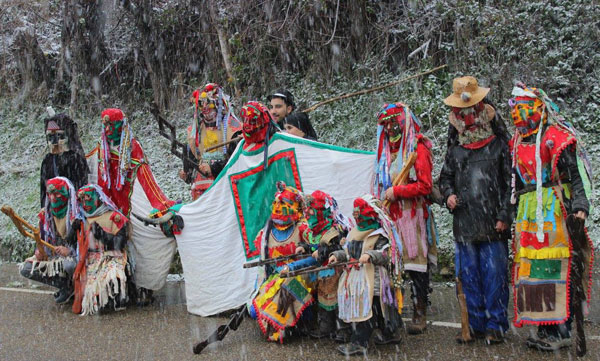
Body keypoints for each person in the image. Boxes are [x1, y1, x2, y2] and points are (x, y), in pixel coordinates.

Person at [508, 83, 593, 351]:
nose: (519, 114)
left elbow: (575, 175)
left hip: (553, 208)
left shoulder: (555, 138)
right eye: (516, 108)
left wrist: (579, 203)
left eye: (524, 108)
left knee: (557, 265)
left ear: (538, 109)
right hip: (528, 209)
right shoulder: (516, 141)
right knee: (533, 270)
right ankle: (544, 326)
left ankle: (561, 328)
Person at [439, 76, 512, 344]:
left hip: (493, 223)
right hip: (465, 223)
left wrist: (505, 214)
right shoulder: (455, 151)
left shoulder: (500, 146)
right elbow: (444, 179)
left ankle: (496, 325)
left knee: (494, 278)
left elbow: (510, 184)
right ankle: (475, 324)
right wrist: (448, 196)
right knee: (469, 277)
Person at [374, 102, 438, 335]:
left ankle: (420, 310)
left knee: (416, 264)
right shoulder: (383, 152)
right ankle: (394, 311)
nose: (391, 128)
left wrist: (398, 192)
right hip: (391, 216)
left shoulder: (417, 148)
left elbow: (425, 185)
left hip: (413, 214)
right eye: (386, 124)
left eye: (394, 122)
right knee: (393, 263)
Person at [330, 195, 403, 356]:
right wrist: (337, 255)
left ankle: (360, 342)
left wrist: (371, 255)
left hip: (373, 280)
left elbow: (386, 254)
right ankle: (388, 333)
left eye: (359, 212)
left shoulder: (380, 234)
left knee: (369, 308)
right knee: (372, 309)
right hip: (356, 276)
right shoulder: (354, 233)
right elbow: (346, 252)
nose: (356, 216)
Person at [282, 190, 351, 340]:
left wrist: (322, 252)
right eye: (307, 212)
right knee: (322, 301)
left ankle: (343, 330)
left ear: (320, 212)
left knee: (337, 301)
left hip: (334, 271)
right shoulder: (312, 231)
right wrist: (305, 247)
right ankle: (325, 327)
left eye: (311, 211)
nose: (308, 215)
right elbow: (311, 244)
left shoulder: (334, 230)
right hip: (320, 272)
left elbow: (336, 248)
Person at [250, 182, 313, 343]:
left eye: (283, 203)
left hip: (300, 277)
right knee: (254, 310)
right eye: (276, 203)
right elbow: (266, 266)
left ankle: (295, 325)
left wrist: (292, 266)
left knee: (286, 294)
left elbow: (316, 257)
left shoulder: (303, 228)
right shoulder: (267, 232)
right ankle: (282, 325)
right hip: (276, 277)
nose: (277, 207)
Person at [96, 108, 174, 217]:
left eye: (112, 125)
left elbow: (146, 177)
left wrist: (158, 203)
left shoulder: (132, 146)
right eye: (105, 125)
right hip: (111, 193)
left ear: (121, 125)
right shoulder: (102, 144)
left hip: (129, 192)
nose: (107, 129)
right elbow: (102, 176)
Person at [19, 177, 81, 304]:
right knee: (26, 269)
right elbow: (43, 239)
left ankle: (77, 287)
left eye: (57, 193)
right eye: (50, 194)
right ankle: (65, 286)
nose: (53, 198)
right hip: (55, 256)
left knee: (69, 265)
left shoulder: (78, 213)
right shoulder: (45, 215)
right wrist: (39, 251)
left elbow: (87, 242)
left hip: (76, 256)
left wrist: (70, 251)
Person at [72, 184, 129, 315]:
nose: (85, 203)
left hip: (112, 256)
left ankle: (116, 296)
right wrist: (73, 231)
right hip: (90, 259)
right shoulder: (82, 218)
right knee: (88, 287)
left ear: (98, 198)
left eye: (89, 198)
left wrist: (102, 234)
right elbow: (74, 244)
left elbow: (120, 243)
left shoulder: (113, 216)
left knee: (113, 274)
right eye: (82, 200)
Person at [179, 83, 242, 200]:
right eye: (202, 108)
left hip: (224, 182)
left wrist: (213, 168)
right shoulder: (196, 130)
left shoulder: (233, 128)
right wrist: (186, 174)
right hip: (200, 186)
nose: (206, 111)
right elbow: (192, 158)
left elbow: (237, 161)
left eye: (210, 106)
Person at [40, 113, 89, 208]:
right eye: (50, 137)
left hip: (73, 209)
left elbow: (81, 187)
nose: (54, 142)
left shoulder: (76, 158)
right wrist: (44, 210)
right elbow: (43, 191)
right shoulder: (47, 160)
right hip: (53, 209)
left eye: (59, 136)